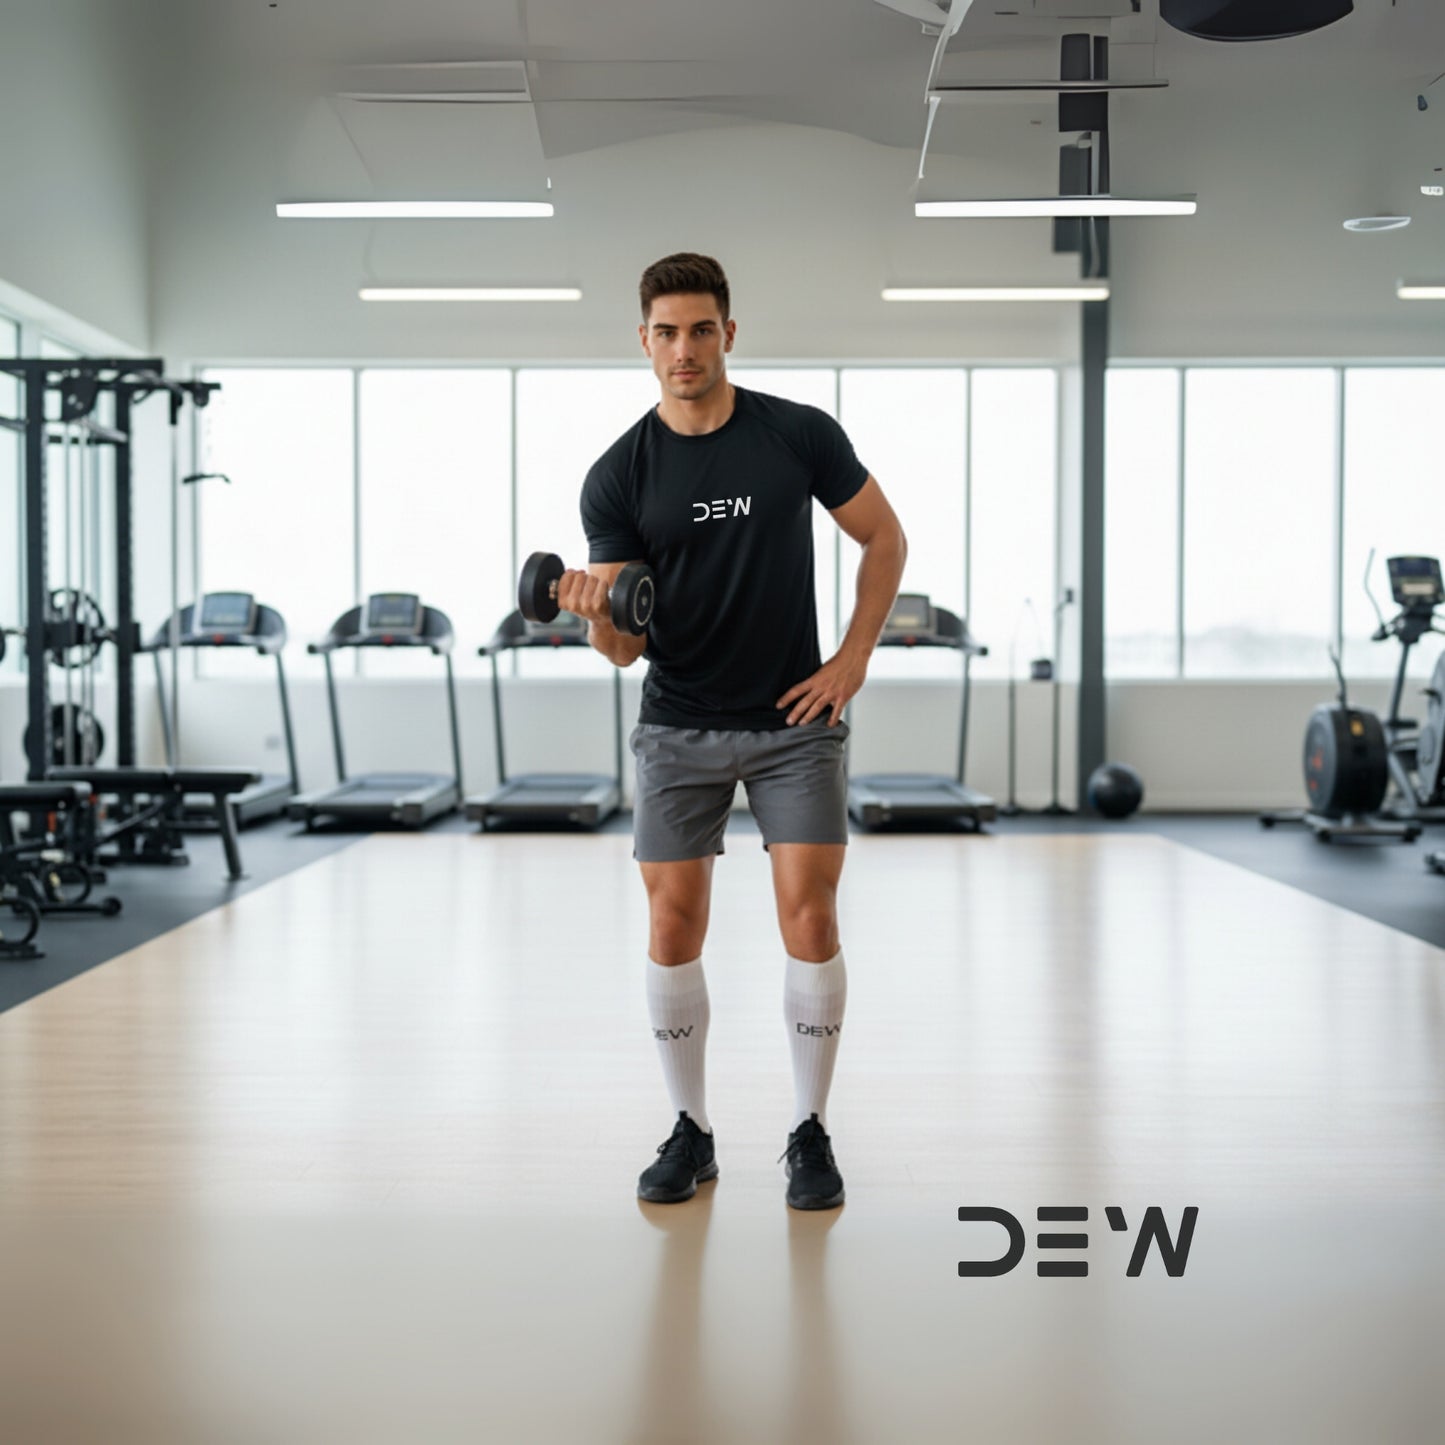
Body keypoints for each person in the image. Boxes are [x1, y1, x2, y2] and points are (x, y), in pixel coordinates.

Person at [557, 253, 907, 1210]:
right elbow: (624, 648)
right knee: (673, 926)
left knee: (812, 917)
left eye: (700, 329)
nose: (683, 348)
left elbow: (884, 536)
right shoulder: (617, 474)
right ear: (643, 341)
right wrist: (595, 610)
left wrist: (852, 659)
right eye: (665, 332)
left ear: (728, 334)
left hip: (795, 721)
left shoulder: (795, 435)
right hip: (678, 723)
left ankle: (809, 1129)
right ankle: (692, 1130)